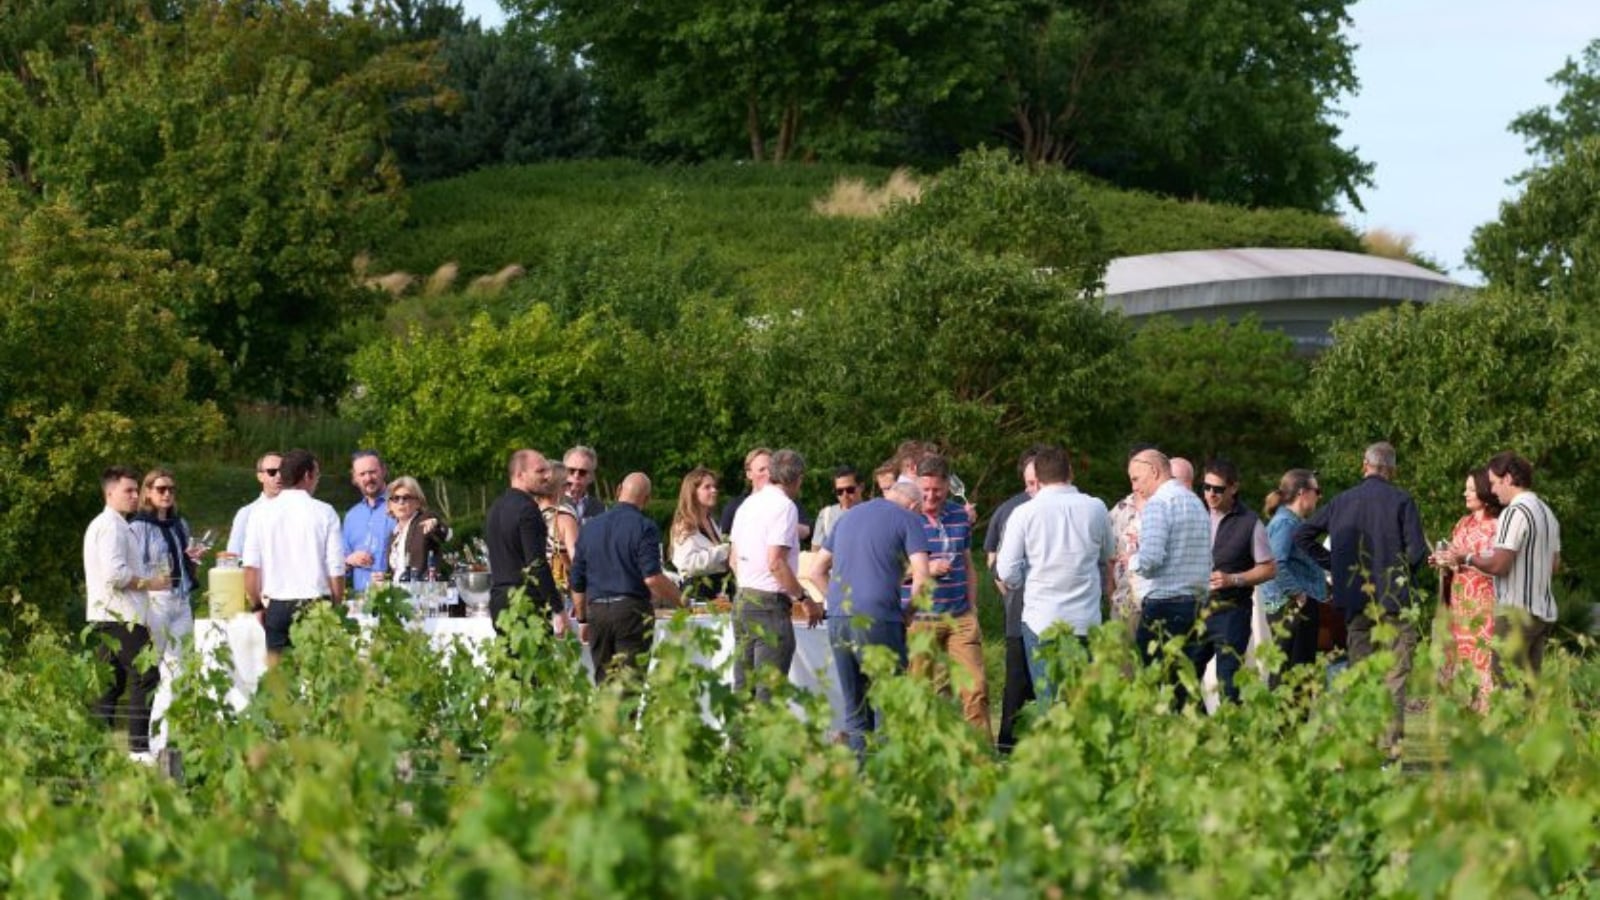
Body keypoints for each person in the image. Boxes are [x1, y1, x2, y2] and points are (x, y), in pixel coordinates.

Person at [1294, 441, 1427, 749]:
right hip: (1394, 601)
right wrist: (1402, 573)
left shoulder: (1341, 502)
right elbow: (1418, 551)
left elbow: (1302, 535)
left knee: (1362, 673)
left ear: (1363, 465)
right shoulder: (1401, 500)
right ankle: (1390, 748)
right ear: (1392, 470)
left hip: (1354, 603)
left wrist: (1337, 568)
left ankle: (1360, 744)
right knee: (1395, 675)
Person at [804, 481, 930, 755]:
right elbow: (922, 572)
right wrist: (910, 611)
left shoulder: (847, 517)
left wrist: (836, 602)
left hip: (839, 619)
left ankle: (861, 778)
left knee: (855, 705)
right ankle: (887, 779)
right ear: (914, 505)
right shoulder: (909, 519)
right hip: (880, 617)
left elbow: (816, 571)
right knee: (889, 702)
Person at [996, 446, 1115, 705]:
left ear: (1036, 478)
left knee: (1049, 703)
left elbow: (1005, 570)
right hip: (1085, 620)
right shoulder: (1096, 507)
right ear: (1070, 472)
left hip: (1042, 619)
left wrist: (1021, 582)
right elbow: (1108, 553)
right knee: (1082, 704)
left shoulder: (1024, 513)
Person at [1444, 452, 1561, 686]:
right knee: (1528, 690)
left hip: (1515, 613)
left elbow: (1499, 564)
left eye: (1495, 483)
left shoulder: (1514, 512)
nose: (1494, 491)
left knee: (1505, 687)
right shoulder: (1548, 514)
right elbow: (1555, 565)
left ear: (1508, 478)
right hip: (1542, 613)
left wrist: (1465, 556)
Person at [84, 465, 165, 761]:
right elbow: (115, 575)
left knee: (111, 685)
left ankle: (95, 750)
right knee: (146, 676)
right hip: (121, 617)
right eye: (128, 491)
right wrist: (151, 582)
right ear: (109, 493)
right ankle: (139, 751)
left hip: (107, 615)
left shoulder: (115, 524)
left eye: (135, 490)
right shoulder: (111, 526)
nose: (135, 496)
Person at [905, 454, 989, 735]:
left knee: (975, 688)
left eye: (937, 490)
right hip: (920, 618)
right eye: (925, 490)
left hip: (960, 616)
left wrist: (973, 608)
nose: (930, 496)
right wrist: (925, 569)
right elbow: (891, 568)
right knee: (919, 692)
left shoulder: (959, 515)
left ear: (946, 487)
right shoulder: (906, 516)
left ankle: (982, 758)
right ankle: (917, 757)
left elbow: (968, 565)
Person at [571, 473, 683, 684]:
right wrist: (682, 601)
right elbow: (652, 577)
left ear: (618, 489)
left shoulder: (589, 528)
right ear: (647, 499)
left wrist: (582, 619)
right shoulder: (644, 526)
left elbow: (577, 581)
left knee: (605, 685)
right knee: (629, 688)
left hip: (598, 613)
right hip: (631, 612)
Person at [729, 448, 822, 700]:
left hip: (743, 598)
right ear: (798, 478)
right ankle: (763, 741)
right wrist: (804, 599)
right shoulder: (785, 507)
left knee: (743, 689)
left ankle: (737, 741)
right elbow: (776, 563)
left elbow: (733, 559)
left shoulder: (748, 504)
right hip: (769, 603)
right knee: (768, 694)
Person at [242, 449, 346, 667]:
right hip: (317, 605)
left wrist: (257, 606)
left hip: (278, 605)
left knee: (281, 684)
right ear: (307, 475)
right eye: (317, 475)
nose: (317, 481)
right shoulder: (325, 512)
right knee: (320, 679)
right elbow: (335, 569)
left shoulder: (260, 514)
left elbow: (251, 569)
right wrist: (336, 604)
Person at [1126, 449, 1211, 709]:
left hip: (1164, 606)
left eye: (1136, 479)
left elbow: (1150, 560)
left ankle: (1149, 745)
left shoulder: (1157, 505)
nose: (1135, 488)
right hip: (1196, 606)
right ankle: (1202, 744)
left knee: (1146, 687)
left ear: (1154, 471)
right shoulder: (1196, 502)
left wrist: (1132, 559)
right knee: (1185, 689)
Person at [130, 468, 202, 752]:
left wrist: (193, 559)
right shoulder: (138, 526)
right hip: (155, 602)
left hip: (180, 600)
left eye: (171, 489)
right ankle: (142, 743)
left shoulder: (179, 524)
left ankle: (166, 738)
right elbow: (133, 570)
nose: (167, 494)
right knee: (151, 672)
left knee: (181, 671)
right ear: (148, 492)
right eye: (160, 489)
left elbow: (186, 569)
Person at [1194, 459, 1276, 705]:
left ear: (1233, 488)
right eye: (1206, 487)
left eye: (1217, 489)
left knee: (1229, 684)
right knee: (1183, 675)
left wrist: (1234, 579)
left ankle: (1233, 738)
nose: (1210, 494)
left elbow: (1269, 568)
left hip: (1232, 612)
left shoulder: (1250, 523)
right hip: (1195, 609)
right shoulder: (1195, 513)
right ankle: (1196, 733)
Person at [983, 446, 1043, 752]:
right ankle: (1007, 746)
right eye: (1031, 480)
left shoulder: (1067, 505)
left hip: (1054, 614)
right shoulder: (1010, 509)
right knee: (1017, 685)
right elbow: (993, 558)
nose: (1035, 486)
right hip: (1018, 613)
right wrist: (1010, 592)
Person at [1431, 468, 1502, 708]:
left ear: (1484, 490)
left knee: (1482, 658)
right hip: (1459, 605)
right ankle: (1461, 714)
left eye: (1471, 489)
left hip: (1484, 605)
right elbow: (1454, 562)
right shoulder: (1462, 524)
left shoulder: (1497, 525)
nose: (1465, 493)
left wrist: (1463, 559)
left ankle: (1485, 714)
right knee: (1458, 659)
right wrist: (1442, 561)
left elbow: (1498, 565)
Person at [485, 450, 566, 635]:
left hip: (499, 602)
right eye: (540, 471)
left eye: (547, 470)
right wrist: (557, 608)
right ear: (520, 475)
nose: (548, 476)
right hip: (525, 605)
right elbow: (536, 564)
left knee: (509, 662)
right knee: (535, 663)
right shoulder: (528, 510)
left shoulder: (495, 508)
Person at [1260, 469, 1327, 679]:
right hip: (1291, 607)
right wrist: (1298, 594)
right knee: (1291, 674)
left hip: (1295, 605)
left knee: (1297, 672)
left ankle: (1294, 712)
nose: (1319, 496)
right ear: (1302, 493)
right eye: (1317, 491)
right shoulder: (1285, 524)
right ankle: (1284, 713)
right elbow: (1276, 563)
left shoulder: (1291, 522)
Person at [1108, 444, 1158, 636]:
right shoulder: (1120, 510)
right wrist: (1111, 594)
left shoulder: (1165, 506)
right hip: (1124, 604)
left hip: (1156, 603)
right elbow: (1109, 558)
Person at [719, 447, 811, 542]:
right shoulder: (737, 506)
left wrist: (776, 524)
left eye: (770, 469)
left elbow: (806, 531)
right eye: (761, 469)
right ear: (749, 474)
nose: (767, 474)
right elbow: (723, 537)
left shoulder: (786, 501)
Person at [669, 466, 731, 604]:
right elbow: (686, 563)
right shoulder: (684, 526)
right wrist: (724, 551)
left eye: (714, 487)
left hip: (717, 590)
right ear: (693, 492)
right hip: (698, 591)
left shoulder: (711, 521)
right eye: (707, 487)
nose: (714, 491)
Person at [342, 450, 394, 594]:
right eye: (362, 474)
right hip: (361, 600)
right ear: (354, 478)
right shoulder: (351, 516)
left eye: (372, 472)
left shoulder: (400, 507)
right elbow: (340, 564)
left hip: (395, 597)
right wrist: (350, 559)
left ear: (384, 471)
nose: (368, 478)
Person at [536, 462, 581, 622]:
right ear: (558, 487)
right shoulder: (564, 517)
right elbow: (578, 564)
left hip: (528, 593)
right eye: (567, 484)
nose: (569, 488)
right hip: (559, 595)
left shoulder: (526, 514)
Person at [384, 475, 450, 580]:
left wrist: (436, 525)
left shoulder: (424, 520)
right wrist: (383, 578)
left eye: (406, 498)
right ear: (390, 505)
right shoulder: (394, 534)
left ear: (418, 502)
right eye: (396, 498)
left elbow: (446, 535)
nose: (401, 502)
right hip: (399, 593)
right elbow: (397, 571)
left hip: (424, 592)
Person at [226, 451, 282, 556]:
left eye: (283, 471)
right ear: (260, 476)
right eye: (272, 472)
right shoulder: (247, 514)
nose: (279, 476)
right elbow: (233, 556)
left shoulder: (301, 511)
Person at [811, 465, 864, 551]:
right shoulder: (826, 515)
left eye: (850, 490)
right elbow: (816, 552)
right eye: (839, 491)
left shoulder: (874, 514)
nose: (845, 495)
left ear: (861, 487)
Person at [563, 445, 607, 524]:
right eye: (571, 470)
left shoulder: (601, 509)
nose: (576, 476)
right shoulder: (551, 503)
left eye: (582, 472)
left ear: (592, 477)